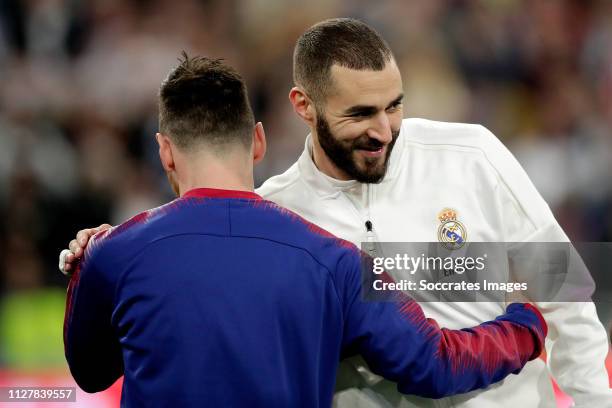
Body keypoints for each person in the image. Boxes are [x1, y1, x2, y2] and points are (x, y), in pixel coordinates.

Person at [61, 18, 612, 407]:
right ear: (304, 106)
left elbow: (567, 297)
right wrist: (108, 246)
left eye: (394, 105)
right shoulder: (281, 217)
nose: (384, 129)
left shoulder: (472, 155)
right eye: (361, 113)